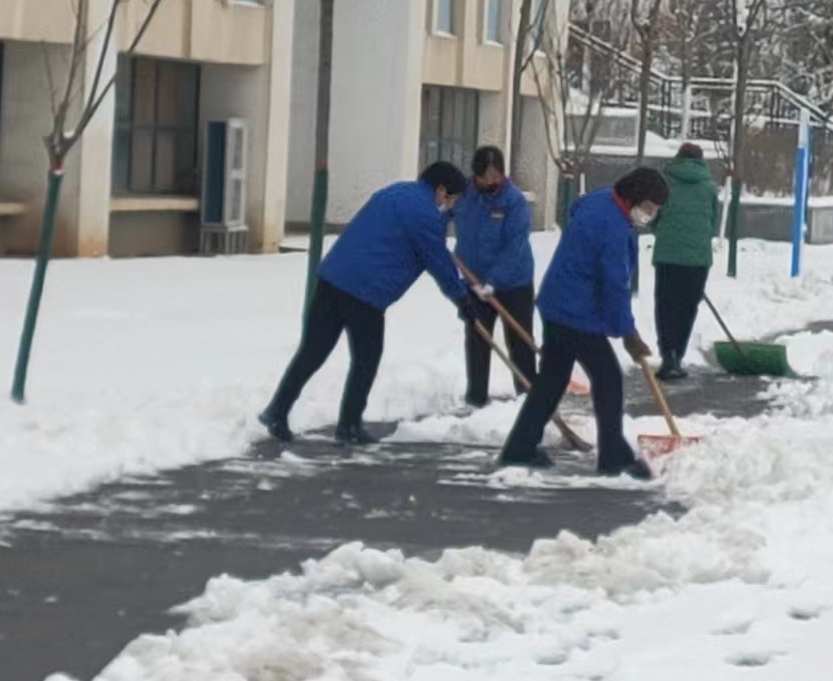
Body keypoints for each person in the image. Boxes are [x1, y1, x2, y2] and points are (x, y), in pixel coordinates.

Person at [259, 162, 478, 447]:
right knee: (366, 359)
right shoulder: (425, 215)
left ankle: (277, 411)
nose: (451, 206)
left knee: (312, 352)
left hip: (332, 279)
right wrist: (463, 299)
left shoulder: (394, 192)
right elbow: (437, 260)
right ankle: (349, 426)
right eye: (452, 199)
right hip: (365, 292)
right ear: (440, 190)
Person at [499, 167, 670, 480]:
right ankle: (614, 458)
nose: (649, 215)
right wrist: (628, 333)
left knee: (552, 379)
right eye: (648, 207)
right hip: (576, 313)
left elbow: (576, 213)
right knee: (608, 378)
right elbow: (615, 286)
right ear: (634, 197)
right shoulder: (613, 228)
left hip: (558, 303)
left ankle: (520, 447)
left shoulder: (601, 200)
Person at [453, 145, 536, 407]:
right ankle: (476, 397)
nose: (492, 181)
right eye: (486, 176)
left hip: (514, 283)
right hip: (474, 281)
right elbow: (443, 214)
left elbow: (515, 246)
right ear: (475, 175)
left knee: (519, 341)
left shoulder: (514, 201)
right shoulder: (464, 195)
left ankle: (528, 396)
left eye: (496, 175)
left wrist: (493, 281)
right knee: (477, 338)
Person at [651, 143, 722, 381]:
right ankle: (678, 356)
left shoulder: (665, 184)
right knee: (687, 307)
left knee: (666, 306)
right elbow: (713, 222)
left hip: (668, 256)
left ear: (678, 158)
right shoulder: (709, 187)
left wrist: (664, 234)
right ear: (701, 161)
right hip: (697, 260)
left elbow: (654, 217)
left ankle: (667, 356)